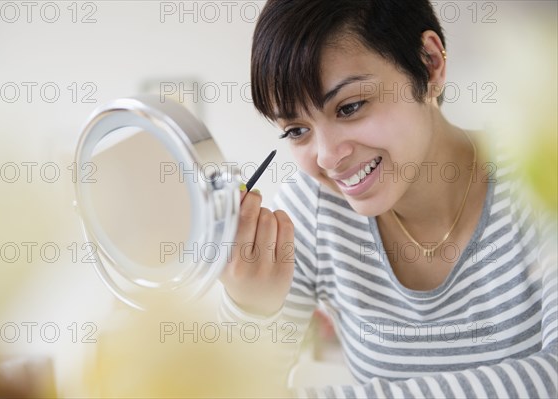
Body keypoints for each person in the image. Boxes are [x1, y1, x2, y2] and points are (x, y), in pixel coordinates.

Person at [219, 0, 557, 397]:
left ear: (429, 64)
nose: (327, 157)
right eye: (296, 130)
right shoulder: (311, 212)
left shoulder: (541, 172)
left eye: (350, 107)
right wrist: (249, 310)